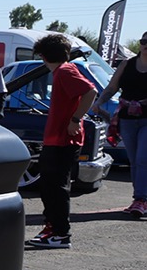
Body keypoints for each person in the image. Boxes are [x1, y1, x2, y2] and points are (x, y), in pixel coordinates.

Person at [25, 33, 98, 250]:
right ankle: (52, 228)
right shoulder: (61, 72)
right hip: (55, 139)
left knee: (56, 188)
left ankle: (60, 233)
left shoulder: (65, 71)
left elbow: (90, 91)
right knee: (49, 187)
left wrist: (76, 119)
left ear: (44, 56)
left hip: (64, 140)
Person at [95, 31, 147, 218]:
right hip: (126, 118)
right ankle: (140, 199)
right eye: (143, 41)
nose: (145, 45)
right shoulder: (127, 64)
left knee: (142, 159)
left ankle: (140, 199)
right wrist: (99, 102)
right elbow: (112, 87)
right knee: (134, 161)